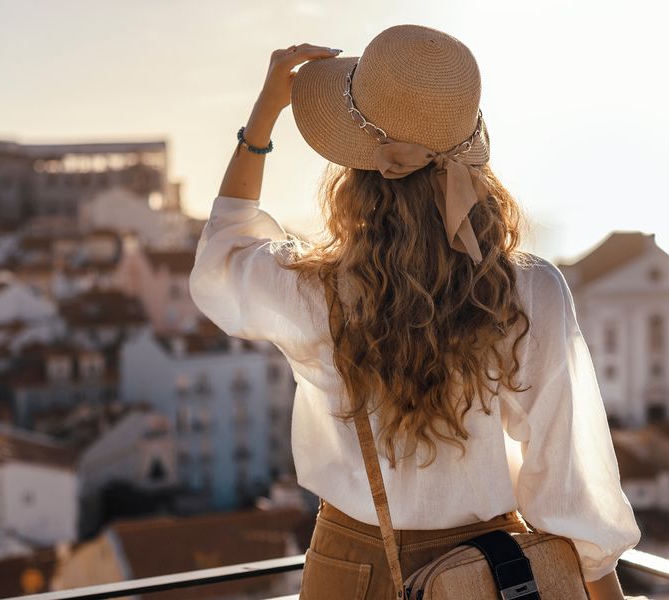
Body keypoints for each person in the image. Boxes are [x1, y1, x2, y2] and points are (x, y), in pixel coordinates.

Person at [190, 24, 640, 600]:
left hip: (348, 567)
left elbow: (222, 256)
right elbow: (566, 475)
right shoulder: (529, 291)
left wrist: (264, 116)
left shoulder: (311, 290)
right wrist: (604, 591)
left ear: (352, 171)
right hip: (488, 573)